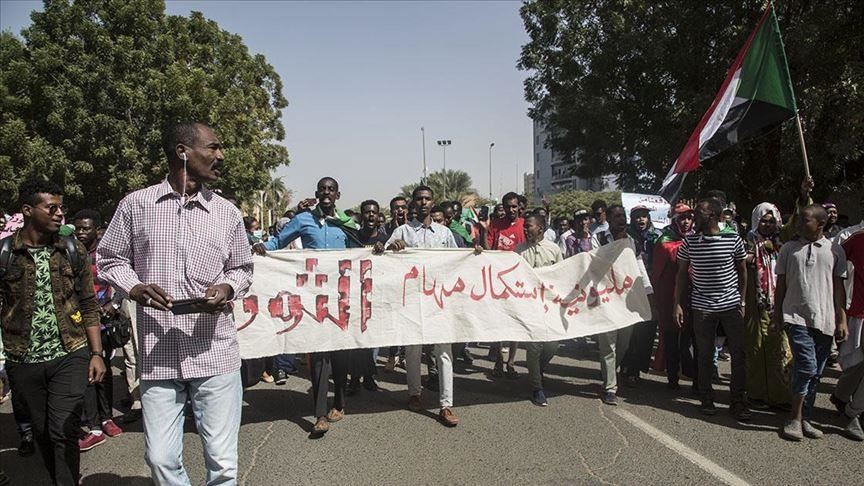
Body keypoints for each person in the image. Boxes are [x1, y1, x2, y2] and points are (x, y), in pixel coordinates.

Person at [98, 122, 253, 484]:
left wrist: (227, 288)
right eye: (213, 148)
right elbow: (109, 259)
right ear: (183, 152)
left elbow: (242, 268)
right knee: (160, 459)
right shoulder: (136, 205)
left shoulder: (227, 212)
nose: (221, 156)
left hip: (215, 351)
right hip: (159, 353)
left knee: (223, 462)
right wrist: (134, 287)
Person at [1, 179, 106, 486]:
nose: (61, 214)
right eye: (52, 208)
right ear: (28, 210)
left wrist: (96, 353)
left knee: (63, 428)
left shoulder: (71, 249)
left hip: (70, 352)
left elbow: (88, 303)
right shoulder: (6, 253)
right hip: (23, 359)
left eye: (62, 207)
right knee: (44, 431)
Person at [252, 176, 358, 435]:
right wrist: (259, 248)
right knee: (319, 355)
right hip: (314, 299)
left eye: (331, 189)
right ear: (316, 193)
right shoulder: (303, 220)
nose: (326, 193)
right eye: (322, 189)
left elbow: (364, 246)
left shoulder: (346, 224)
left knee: (341, 355)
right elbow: (277, 242)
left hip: (342, 297)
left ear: (338, 195)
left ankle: (340, 401)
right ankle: (320, 414)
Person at [385, 185, 463, 427]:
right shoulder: (402, 231)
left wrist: (476, 254)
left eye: (427, 198)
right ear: (413, 203)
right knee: (413, 350)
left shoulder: (444, 233)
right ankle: (414, 394)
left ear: (433, 202)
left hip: (438, 301)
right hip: (411, 301)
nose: (423, 202)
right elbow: (384, 260)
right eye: (419, 199)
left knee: (443, 352)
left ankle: (446, 404)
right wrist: (390, 248)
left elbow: (458, 261)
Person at [772, 204, 847, 441]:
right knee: (806, 366)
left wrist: (841, 319)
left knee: (815, 373)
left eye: (805, 220)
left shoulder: (834, 250)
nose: (799, 224)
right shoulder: (789, 249)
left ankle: (806, 418)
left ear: (821, 224)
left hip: (824, 319)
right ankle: (793, 418)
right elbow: (781, 286)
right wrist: (777, 314)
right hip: (795, 316)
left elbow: (838, 289)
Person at [675, 198, 750, 421]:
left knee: (738, 354)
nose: (694, 217)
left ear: (715, 217)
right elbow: (681, 275)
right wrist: (677, 304)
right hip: (702, 307)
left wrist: (742, 301)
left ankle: (738, 400)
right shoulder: (689, 242)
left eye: (700, 213)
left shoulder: (732, 239)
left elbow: (743, 272)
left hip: (730, 305)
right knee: (705, 355)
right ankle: (706, 398)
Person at [591, 205, 653, 405]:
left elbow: (637, 264)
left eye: (623, 216)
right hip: (606, 298)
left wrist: (647, 290)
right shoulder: (598, 238)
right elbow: (592, 264)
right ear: (608, 218)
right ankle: (610, 387)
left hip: (626, 299)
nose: (621, 220)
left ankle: (610, 375)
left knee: (624, 343)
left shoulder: (631, 240)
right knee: (608, 344)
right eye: (617, 216)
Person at [73, 209, 124, 451]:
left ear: (97, 229)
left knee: (104, 373)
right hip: (78, 323)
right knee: (87, 374)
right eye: (78, 228)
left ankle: (106, 418)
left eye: (86, 228)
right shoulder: (70, 251)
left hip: (104, 323)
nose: (81, 232)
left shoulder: (106, 254)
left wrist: (112, 304)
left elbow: (122, 282)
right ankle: (93, 426)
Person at [743, 203, 792, 409]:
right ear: (756, 220)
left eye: (772, 221)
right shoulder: (747, 240)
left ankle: (780, 396)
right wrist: (753, 255)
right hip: (755, 302)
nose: (768, 224)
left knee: (778, 349)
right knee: (755, 348)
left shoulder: (784, 242)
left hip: (778, 303)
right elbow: (739, 261)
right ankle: (756, 395)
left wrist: (805, 195)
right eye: (764, 220)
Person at [517, 214, 563, 406]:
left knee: (553, 345)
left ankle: (537, 369)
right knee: (534, 347)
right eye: (525, 227)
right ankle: (537, 387)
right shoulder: (518, 251)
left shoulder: (554, 250)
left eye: (529, 227)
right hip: (529, 305)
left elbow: (562, 275)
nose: (525, 230)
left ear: (541, 229)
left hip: (550, 304)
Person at [652, 203, 697, 390]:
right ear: (674, 219)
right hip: (670, 297)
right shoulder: (664, 241)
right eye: (681, 218)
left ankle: (696, 378)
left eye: (689, 218)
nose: (686, 222)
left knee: (694, 340)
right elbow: (657, 274)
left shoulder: (698, 238)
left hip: (694, 296)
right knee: (671, 338)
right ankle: (672, 377)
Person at [347, 199, 388, 395]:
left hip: (376, 295)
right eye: (367, 212)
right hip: (355, 295)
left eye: (374, 212)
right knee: (356, 340)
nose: (370, 215)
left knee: (372, 339)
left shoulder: (385, 240)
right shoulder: (352, 237)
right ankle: (354, 379)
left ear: (378, 216)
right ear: (361, 215)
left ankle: (369, 376)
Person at [833, 197, 864, 440]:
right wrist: (839, 315)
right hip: (858, 312)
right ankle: (847, 402)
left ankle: (853, 410)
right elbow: (835, 278)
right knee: (854, 362)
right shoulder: (850, 238)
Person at [485, 192, 526, 377]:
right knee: (498, 323)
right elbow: (489, 250)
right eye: (507, 206)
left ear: (519, 207)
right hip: (497, 282)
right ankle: (498, 363)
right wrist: (483, 233)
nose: (511, 210)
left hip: (518, 283)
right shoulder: (495, 226)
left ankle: (511, 362)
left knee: (515, 324)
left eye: (514, 206)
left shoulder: (525, 225)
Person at [622, 206, 662, 386]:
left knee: (646, 331)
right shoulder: (625, 237)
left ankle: (637, 367)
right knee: (630, 331)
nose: (641, 220)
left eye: (644, 216)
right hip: (630, 289)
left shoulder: (658, 237)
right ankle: (628, 366)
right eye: (637, 217)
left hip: (652, 288)